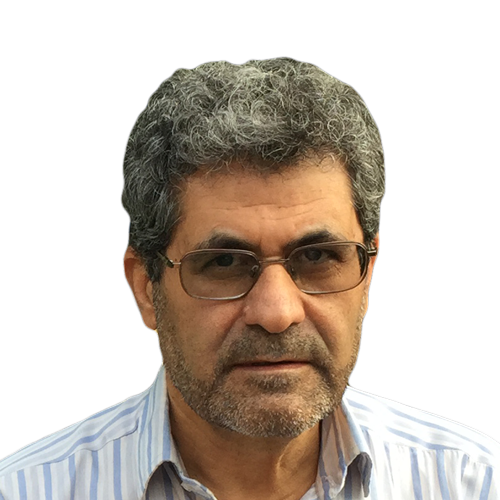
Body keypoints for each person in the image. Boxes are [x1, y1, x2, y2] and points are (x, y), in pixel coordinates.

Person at [0, 57, 498, 500]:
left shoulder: (475, 482)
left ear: (367, 276)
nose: (278, 313)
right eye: (224, 263)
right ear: (146, 288)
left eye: (318, 256)